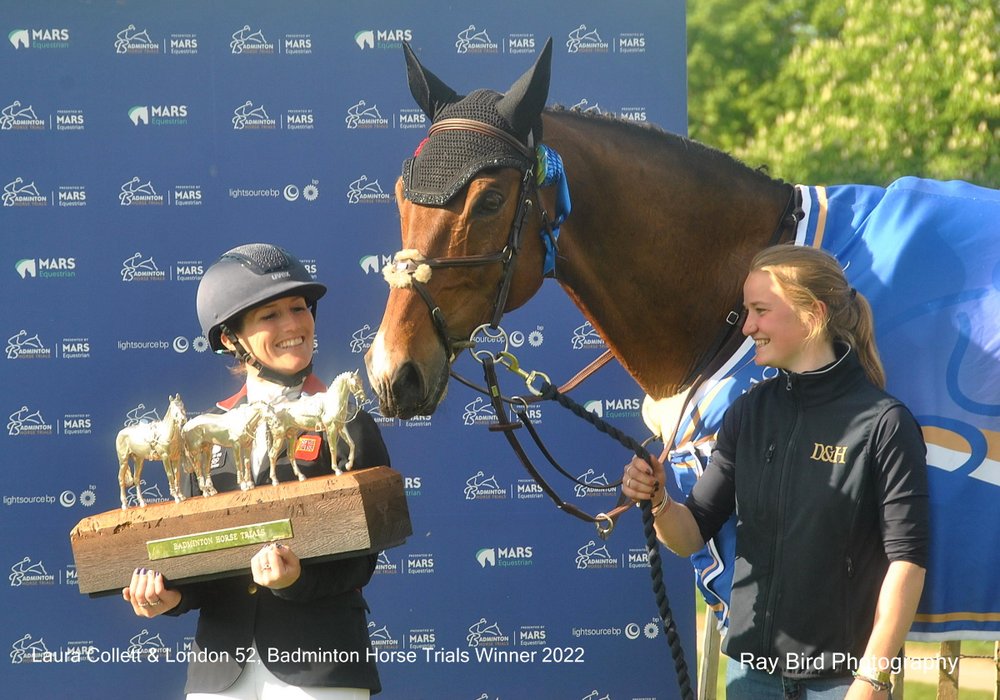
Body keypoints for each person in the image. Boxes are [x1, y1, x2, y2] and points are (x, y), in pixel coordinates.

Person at [622, 245, 929, 699]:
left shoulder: (885, 423)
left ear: (812, 314)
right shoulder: (748, 413)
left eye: (761, 311)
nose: (748, 327)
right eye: (746, 312)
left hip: (843, 683)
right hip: (752, 679)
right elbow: (690, 536)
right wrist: (659, 500)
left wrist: (872, 678)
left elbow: (907, 562)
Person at [122, 243, 389, 699]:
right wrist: (171, 597)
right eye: (269, 316)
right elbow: (202, 557)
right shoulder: (202, 435)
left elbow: (361, 560)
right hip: (219, 674)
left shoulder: (345, 420)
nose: (292, 325)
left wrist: (295, 579)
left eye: (298, 308)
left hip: (321, 670)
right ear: (230, 338)